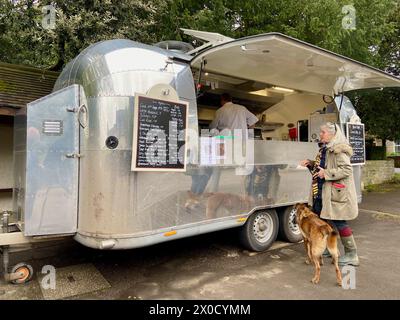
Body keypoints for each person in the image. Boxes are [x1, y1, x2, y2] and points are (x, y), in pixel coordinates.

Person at [300, 122, 359, 266]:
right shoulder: (325, 149)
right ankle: (327, 249)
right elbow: (323, 166)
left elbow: (346, 170)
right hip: (323, 192)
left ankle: (352, 254)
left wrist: (325, 173)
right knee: (325, 221)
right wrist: (311, 164)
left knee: (339, 222)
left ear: (333, 135)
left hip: (335, 194)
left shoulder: (339, 150)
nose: (320, 135)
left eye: (323, 132)